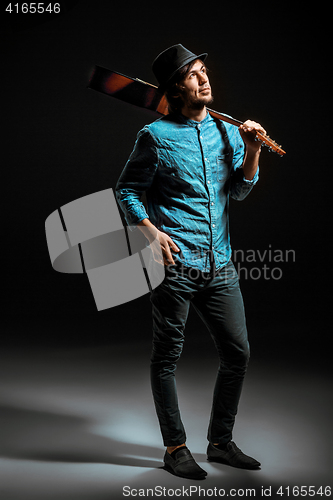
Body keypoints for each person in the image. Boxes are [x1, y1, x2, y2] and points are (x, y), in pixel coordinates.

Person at [116, 44, 265, 479]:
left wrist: (253, 150)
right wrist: (151, 232)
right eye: (192, 75)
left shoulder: (228, 132)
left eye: (203, 71)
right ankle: (175, 447)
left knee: (238, 352)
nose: (203, 79)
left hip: (220, 265)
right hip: (175, 264)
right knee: (167, 357)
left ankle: (220, 443)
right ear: (175, 89)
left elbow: (238, 191)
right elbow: (127, 190)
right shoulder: (155, 136)